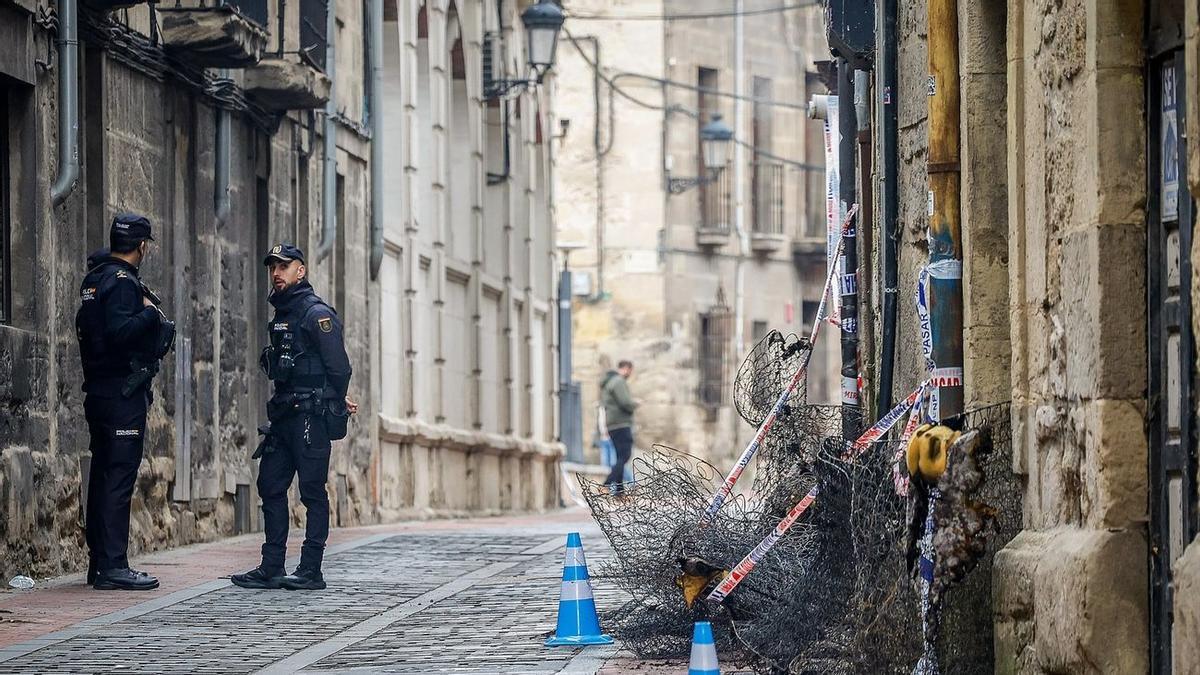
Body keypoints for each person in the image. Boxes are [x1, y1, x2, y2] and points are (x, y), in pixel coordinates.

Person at [233, 244, 357, 591]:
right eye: (272, 266)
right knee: (270, 485)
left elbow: (340, 367)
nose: (276, 272)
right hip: (284, 416)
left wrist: (332, 399)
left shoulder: (316, 313)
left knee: (312, 492)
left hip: (309, 418)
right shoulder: (283, 313)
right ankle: (271, 566)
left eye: (284, 266)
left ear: (300, 271)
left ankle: (310, 569)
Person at [76, 213, 175, 591]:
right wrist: (149, 313)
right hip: (121, 392)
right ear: (142, 246)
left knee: (103, 475)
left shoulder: (95, 278)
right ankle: (114, 565)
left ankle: (99, 562)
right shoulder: (121, 283)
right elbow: (120, 332)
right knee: (117, 477)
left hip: (100, 390)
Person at [600, 360, 638, 493]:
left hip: (612, 424)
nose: (631, 374)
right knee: (625, 455)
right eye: (631, 370)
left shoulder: (609, 382)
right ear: (626, 368)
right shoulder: (618, 381)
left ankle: (619, 492)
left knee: (620, 458)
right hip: (621, 423)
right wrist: (635, 404)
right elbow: (625, 402)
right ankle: (606, 484)